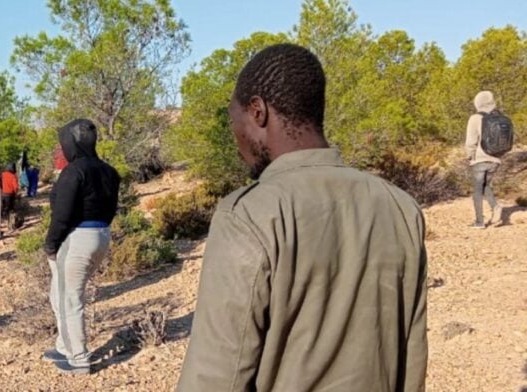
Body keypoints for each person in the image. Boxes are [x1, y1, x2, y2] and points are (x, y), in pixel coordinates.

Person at [177, 44, 428, 392]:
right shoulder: (401, 207)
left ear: (257, 112)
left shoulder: (249, 216)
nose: (237, 140)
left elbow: (217, 376)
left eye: (234, 121)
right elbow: (411, 356)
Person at [43, 119, 121, 375]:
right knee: (60, 293)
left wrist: (51, 243)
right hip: (101, 234)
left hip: (77, 238)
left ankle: (78, 358)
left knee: (69, 299)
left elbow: (62, 214)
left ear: (71, 142)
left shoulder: (74, 171)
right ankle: (64, 347)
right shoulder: (109, 171)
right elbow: (111, 209)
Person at [465, 91, 504, 229]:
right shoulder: (500, 117)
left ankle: (479, 222)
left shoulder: (475, 118)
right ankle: (496, 207)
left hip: (480, 159)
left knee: (477, 190)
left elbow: (471, 141)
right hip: (496, 158)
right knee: (486, 185)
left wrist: (469, 156)